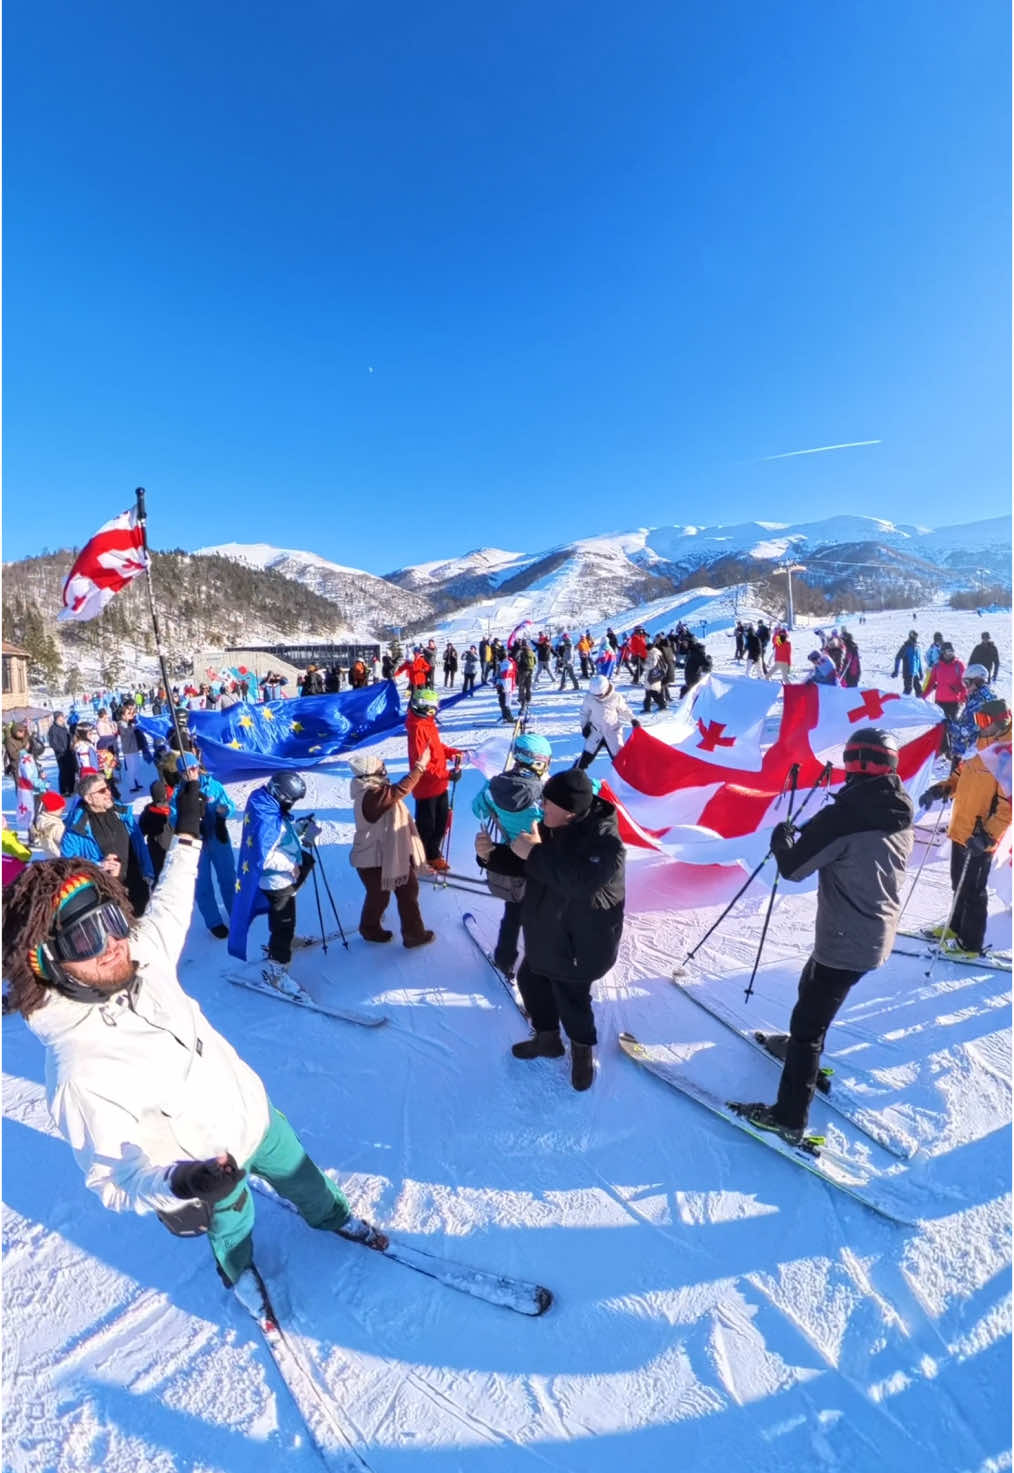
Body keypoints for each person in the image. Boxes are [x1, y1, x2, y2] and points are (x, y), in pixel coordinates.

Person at [1, 795, 388, 1299]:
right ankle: (238, 1271)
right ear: (48, 960)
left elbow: (170, 903)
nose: (113, 943)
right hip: (209, 1162)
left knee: (304, 1175)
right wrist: (182, 1182)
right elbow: (113, 1179)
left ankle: (334, 1217)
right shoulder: (80, 1066)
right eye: (85, 939)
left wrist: (186, 834)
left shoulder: (141, 956)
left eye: (113, 921)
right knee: (232, 1224)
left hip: (254, 1114)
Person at [732, 728, 915, 1144]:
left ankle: (789, 1117)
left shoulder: (846, 816)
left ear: (853, 763)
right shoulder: (897, 802)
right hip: (874, 930)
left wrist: (782, 842)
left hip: (845, 937)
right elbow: (849, 838)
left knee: (808, 1024)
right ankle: (801, 1049)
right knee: (812, 986)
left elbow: (795, 868)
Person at [475, 768, 625, 1091]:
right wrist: (490, 856)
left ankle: (582, 1051)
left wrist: (535, 852)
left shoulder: (606, 845)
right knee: (531, 980)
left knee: (572, 999)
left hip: (579, 946)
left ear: (570, 812)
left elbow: (578, 883)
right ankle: (547, 1039)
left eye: (547, 803)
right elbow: (525, 859)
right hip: (548, 935)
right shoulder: (553, 826)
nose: (541, 807)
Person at [919, 697, 1011, 958]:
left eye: (985, 721)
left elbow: (1008, 806)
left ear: (1000, 721)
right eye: (978, 720)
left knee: (973, 890)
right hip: (961, 828)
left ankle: (970, 944)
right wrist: (941, 789)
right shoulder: (980, 744)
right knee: (957, 883)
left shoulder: (1007, 754)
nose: (979, 726)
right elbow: (960, 774)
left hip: (981, 835)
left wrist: (987, 835)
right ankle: (955, 928)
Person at [228, 772, 321, 993]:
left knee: (306, 862)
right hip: (276, 881)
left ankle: (282, 942)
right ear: (283, 797)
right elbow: (266, 855)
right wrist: (290, 865)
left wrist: (299, 828)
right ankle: (276, 972)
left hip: (278, 880)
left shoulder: (263, 803)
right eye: (292, 800)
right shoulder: (269, 820)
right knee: (284, 925)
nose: (292, 804)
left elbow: (281, 835)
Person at [472, 732, 552, 976]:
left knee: (513, 913)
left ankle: (504, 959)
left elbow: (478, 810)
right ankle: (538, 967)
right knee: (540, 920)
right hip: (540, 862)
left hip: (509, 859)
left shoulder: (494, 787)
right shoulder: (546, 793)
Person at [347, 749, 434, 948]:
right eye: (381, 769)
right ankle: (380, 930)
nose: (385, 772)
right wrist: (420, 767)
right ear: (370, 774)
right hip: (372, 859)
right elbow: (401, 789)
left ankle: (403, 933)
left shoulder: (374, 791)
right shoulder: (371, 795)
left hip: (386, 855)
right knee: (385, 894)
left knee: (399, 891)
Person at [60, 772, 154, 916]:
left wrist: (148, 872)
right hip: (107, 894)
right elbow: (67, 866)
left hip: (137, 885)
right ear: (89, 798)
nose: (108, 793)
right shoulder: (76, 828)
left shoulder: (121, 812)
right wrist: (98, 866)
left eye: (108, 788)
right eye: (102, 790)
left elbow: (139, 844)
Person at [170, 752, 237, 938]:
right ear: (180, 774)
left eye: (193, 768)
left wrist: (224, 810)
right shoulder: (178, 794)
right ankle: (214, 922)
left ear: (198, 767)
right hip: (196, 843)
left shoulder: (213, 785)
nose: (190, 773)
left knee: (228, 877)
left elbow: (230, 805)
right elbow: (173, 818)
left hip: (217, 836)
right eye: (185, 771)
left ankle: (235, 912)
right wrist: (188, 818)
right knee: (202, 884)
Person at [405, 688, 462, 873]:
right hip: (427, 788)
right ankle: (417, 858)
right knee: (426, 827)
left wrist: (451, 753)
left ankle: (432, 855)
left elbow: (436, 746)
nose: (434, 712)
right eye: (432, 709)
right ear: (422, 708)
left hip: (439, 785)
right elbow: (422, 765)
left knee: (441, 823)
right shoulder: (417, 729)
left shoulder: (427, 723)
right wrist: (447, 775)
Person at [578, 676, 636, 769]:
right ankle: (573, 777)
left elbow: (624, 710)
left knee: (620, 762)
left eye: (599, 695)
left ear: (605, 690)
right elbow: (584, 713)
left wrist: (632, 719)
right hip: (596, 733)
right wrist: (584, 726)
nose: (597, 697)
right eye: (595, 695)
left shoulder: (616, 697)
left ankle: (626, 780)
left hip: (612, 732)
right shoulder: (589, 698)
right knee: (583, 760)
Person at [948, 665, 999, 764]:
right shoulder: (981, 696)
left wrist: (948, 725)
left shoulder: (980, 702)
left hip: (973, 756)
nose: (965, 687)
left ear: (977, 681)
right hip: (974, 752)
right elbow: (969, 722)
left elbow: (967, 731)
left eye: (967, 683)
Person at [922, 642, 965, 727]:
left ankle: (951, 740)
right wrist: (923, 697)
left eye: (952, 652)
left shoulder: (959, 665)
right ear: (943, 653)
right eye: (948, 652)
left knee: (952, 727)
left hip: (954, 702)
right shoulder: (937, 666)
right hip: (940, 702)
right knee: (940, 727)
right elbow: (931, 683)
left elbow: (965, 683)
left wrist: (963, 697)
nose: (950, 654)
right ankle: (941, 740)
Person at [139, 779, 173, 879]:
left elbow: (142, 829)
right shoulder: (171, 810)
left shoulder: (148, 810)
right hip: (171, 846)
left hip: (155, 848)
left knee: (160, 875)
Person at [117, 703, 150, 794]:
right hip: (128, 750)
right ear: (123, 716)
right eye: (128, 713)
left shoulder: (130, 723)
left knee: (136, 767)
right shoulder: (121, 724)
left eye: (131, 713)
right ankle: (132, 785)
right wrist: (133, 726)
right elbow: (127, 732)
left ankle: (137, 782)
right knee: (131, 768)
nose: (131, 715)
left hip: (135, 748)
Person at [48, 712, 78, 798]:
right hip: (61, 755)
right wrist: (61, 750)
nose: (63, 719)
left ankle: (71, 788)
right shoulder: (53, 729)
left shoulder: (63, 727)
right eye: (61, 717)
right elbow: (53, 743)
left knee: (71, 770)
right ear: (57, 718)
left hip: (69, 752)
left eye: (63, 717)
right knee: (64, 772)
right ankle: (64, 791)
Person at [891, 631, 924, 696]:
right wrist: (896, 671)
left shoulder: (917, 648)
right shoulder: (906, 647)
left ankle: (919, 704)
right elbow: (898, 658)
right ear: (910, 637)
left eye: (916, 637)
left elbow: (919, 661)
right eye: (913, 637)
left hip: (915, 673)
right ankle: (903, 703)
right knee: (908, 689)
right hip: (908, 673)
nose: (915, 639)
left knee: (919, 690)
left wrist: (920, 673)